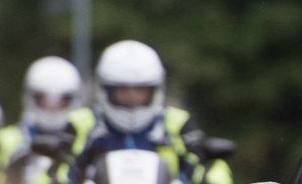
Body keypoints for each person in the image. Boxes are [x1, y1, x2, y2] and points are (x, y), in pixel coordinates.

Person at [62, 40, 232, 184]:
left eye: (140, 91)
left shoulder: (176, 123)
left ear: (155, 90)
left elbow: (203, 164)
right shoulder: (82, 123)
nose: (131, 97)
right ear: (105, 90)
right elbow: (59, 167)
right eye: (123, 91)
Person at [0, 56, 83, 184]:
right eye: (44, 100)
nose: (52, 109)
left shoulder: (88, 137)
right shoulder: (7, 140)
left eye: (61, 101)